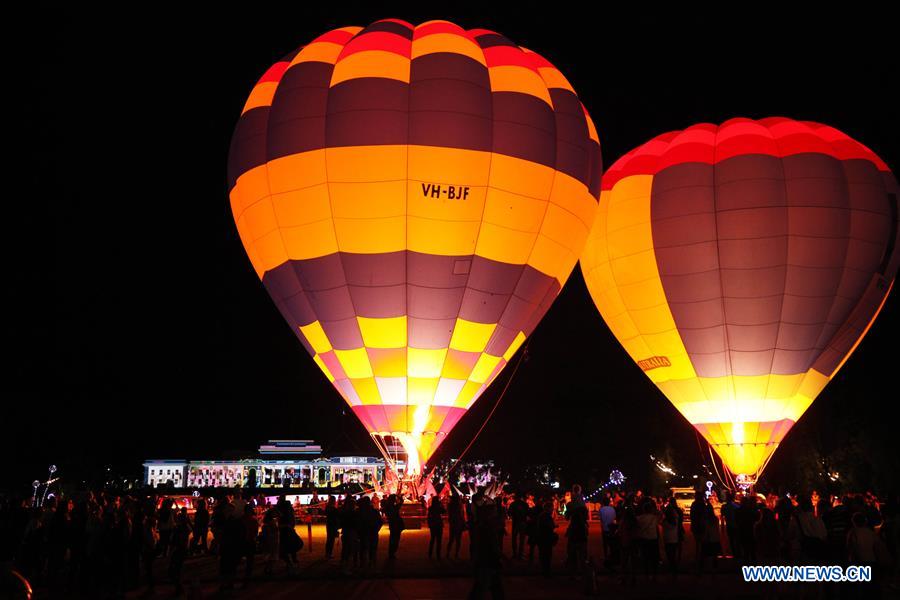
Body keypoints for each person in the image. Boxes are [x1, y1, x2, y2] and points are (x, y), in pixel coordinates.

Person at [635, 498, 662, 581]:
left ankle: (646, 574)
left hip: (644, 539)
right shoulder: (654, 518)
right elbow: (660, 514)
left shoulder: (639, 518)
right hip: (653, 539)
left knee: (645, 557)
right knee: (654, 558)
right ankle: (654, 574)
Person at [565, 485, 589, 575]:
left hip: (574, 529)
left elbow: (567, 517)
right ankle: (583, 574)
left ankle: (573, 573)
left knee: (572, 554)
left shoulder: (570, 504)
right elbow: (586, 517)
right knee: (583, 554)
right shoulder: (583, 504)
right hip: (582, 529)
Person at [168, 508, 191, 595]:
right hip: (182, 550)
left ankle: (179, 588)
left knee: (173, 570)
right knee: (178, 570)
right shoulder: (185, 528)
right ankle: (179, 587)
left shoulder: (178, 529)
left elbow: (174, 542)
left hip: (178, 551)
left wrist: (171, 550)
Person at [357, 495, 382, 569]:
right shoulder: (373, 511)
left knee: (363, 549)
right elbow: (380, 522)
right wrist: (376, 529)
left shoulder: (360, 512)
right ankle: (371, 564)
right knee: (371, 550)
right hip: (371, 533)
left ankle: (363, 565)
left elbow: (357, 522)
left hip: (365, 533)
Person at [662, 497, 682, 579]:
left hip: (667, 539)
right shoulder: (675, 520)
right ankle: (675, 568)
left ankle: (672, 568)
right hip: (674, 538)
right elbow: (678, 517)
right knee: (674, 553)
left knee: (669, 554)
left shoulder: (665, 522)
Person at [536, 501, 558, 577]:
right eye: (552, 508)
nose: (552, 510)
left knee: (544, 555)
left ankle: (544, 570)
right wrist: (554, 526)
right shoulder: (546, 516)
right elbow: (548, 526)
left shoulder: (542, 515)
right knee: (546, 555)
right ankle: (546, 571)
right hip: (545, 538)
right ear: (548, 508)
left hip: (542, 537)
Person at [340, 495, 360, 573]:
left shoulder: (345, 513)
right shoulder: (354, 513)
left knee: (345, 549)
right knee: (352, 549)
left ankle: (344, 563)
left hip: (346, 532)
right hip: (352, 532)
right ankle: (350, 565)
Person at [141, 515, 159, 593]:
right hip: (150, 551)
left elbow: (151, 542)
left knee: (149, 569)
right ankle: (151, 586)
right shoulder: (151, 530)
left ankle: (151, 587)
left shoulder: (149, 531)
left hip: (148, 551)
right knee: (149, 568)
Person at [259, 508, 279, 576]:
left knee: (269, 554)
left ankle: (268, 568)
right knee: (271, 554)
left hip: (269, 540)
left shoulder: (266, 522)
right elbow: (273, 531)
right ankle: (269, 569)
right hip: (271, 540)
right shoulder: (270, 522)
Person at [508, 493, 528, 560]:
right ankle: (520, 554)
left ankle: (515, 554)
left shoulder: (513, 504)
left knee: (514, 538)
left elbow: (509, 512)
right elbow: (528, 512)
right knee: (521, 539)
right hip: (522, 522)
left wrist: (513, 516)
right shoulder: (524, 504)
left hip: (516, 523)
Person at [384, 494, 404, 559]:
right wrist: (399, 497)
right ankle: (392, 552)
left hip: (392, 524)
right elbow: (401, 503)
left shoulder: (389, 506)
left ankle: (391, 552)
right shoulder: (393, 507)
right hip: (396, 524)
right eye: (394, 498)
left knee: (393, 538)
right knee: (395, 539)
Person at [447, 493, 466, 559]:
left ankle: (448, 553)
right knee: (458, 540)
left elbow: (449, 514)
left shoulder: (450, 505)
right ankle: (456, 554)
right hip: (458, 523)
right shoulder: (459, 506)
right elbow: (461, 515)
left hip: (453, 523)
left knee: (451, 539)